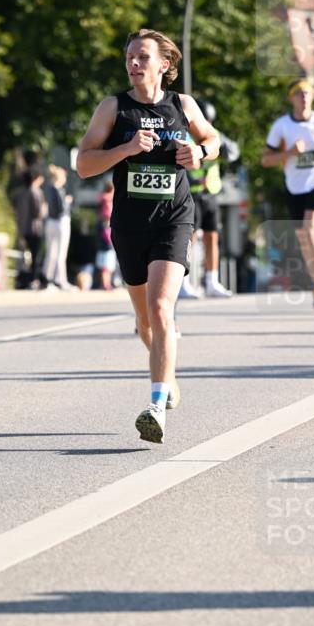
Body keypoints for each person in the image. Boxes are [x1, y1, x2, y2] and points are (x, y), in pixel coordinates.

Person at [76, 27, 221, 444]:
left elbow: (212, 140)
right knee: (145, 320)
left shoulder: (183, 105)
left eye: (143, 57)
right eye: (130, 58)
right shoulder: (113, 108)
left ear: (164, 64)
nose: (135, 64)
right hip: (129, 225)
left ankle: (156, 406)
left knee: (161, 308)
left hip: (174, 218)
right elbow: (84, 164)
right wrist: (125, 149)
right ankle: (167, 373)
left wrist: (201, 152)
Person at [262, 78, 314, 309]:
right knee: (303, 239)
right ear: (291, 97)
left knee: (311, 230)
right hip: (294, 187)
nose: (305, 97)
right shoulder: (282, 125)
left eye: (308, 93)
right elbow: (266, 159)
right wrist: (288, 153)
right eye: (300, 93)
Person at [179, 98, 235, 299]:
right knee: (189, 239)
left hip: (210, 192)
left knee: (212, 236)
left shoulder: (213, 135)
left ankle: (212, 281)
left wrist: (222, 144)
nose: (209, 123)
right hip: (191, 193)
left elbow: (232, 153)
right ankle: (184, 282)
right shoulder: (185, 135)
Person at [15, 164, 48, 289]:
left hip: (24, 228)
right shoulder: (36, 193)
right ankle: (34, 280)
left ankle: (23, 280)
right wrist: (45, 208)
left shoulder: (22, 193)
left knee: (25, 256)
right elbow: (38, 212)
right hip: (35, 229)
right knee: (36, 256)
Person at [43, 164, 73, 290]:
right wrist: (68, 202)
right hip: (61, 222)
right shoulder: (59, 190)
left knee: (51, 252)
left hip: (50, 221)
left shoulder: (48, 189)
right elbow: (62, 208)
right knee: (61, 252)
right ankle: (60, 280)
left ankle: (47, 278)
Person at [95, 181, 117, 290]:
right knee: (107, 257)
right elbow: (108, 214)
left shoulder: (100, 198)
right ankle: (106, 283)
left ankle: (104, 282)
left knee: (104, 257)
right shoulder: (108, 199)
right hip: (106, 230)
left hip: (101, 229)